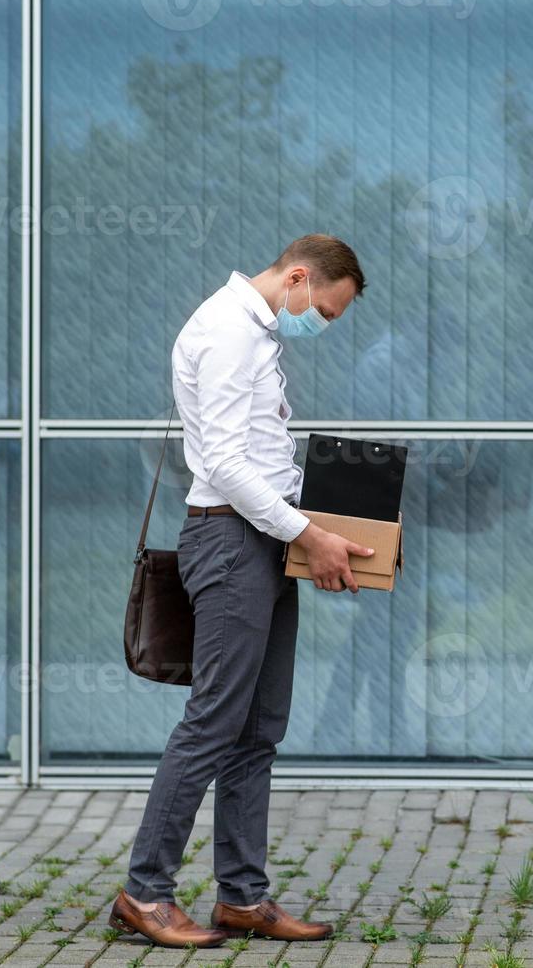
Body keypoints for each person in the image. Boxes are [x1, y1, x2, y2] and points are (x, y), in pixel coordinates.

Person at [108, 234, 373, 947]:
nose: (321, 323)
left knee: (258, 729)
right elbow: (224, 462)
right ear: (295, 277)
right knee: (214, 722)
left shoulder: (257, 334)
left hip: (264, 540)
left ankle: (243, 898)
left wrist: (322, 527)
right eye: (324, 309)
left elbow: (261, 455)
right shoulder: (227, 329)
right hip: (228, 543)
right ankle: (145, 892)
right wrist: (307, 534)